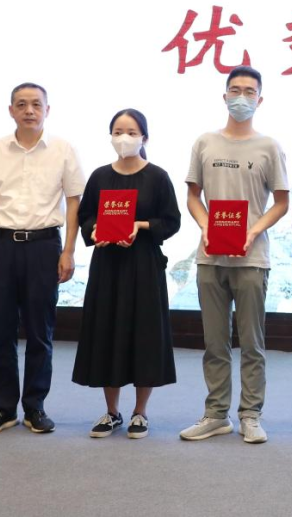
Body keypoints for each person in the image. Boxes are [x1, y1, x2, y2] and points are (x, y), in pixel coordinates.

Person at [179, 66, 289, 444]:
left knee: (252, 342)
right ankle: (216, 414)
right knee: (215, 342)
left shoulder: (269, 147)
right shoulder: (205, 142)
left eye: (249, 91)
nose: (242, 97)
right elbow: (193, 196)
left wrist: (254, 230)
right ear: (224, 96)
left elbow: (281, 202)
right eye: (235, 90)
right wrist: (205, 225)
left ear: (260, 99)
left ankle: (251, 414)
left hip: (251, 259)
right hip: (210, 257)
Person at [0, 82, 86, 435]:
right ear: (11, 111)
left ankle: (35, 407)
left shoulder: (63, 149)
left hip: (43, 246)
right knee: (2, 330)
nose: (29, 110)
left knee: (40, 331)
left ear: (47, 110)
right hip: (1, 246)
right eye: (21, 104)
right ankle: (3, 409)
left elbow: (74, 203)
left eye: (36, 104)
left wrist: (68, 251)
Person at [72, 109, 181, 439]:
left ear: (144, 137)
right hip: (108, 265)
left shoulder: (158, 177)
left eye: (132, 132)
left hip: (144, 265)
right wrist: (94, 231)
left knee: (144, 334)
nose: (124, 138)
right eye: (118, 131)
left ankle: (140, 412)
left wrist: (140, 226)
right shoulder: (99, 176)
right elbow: (85, 216)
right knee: (107, 332)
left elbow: (172, 221)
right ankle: (112, 412)